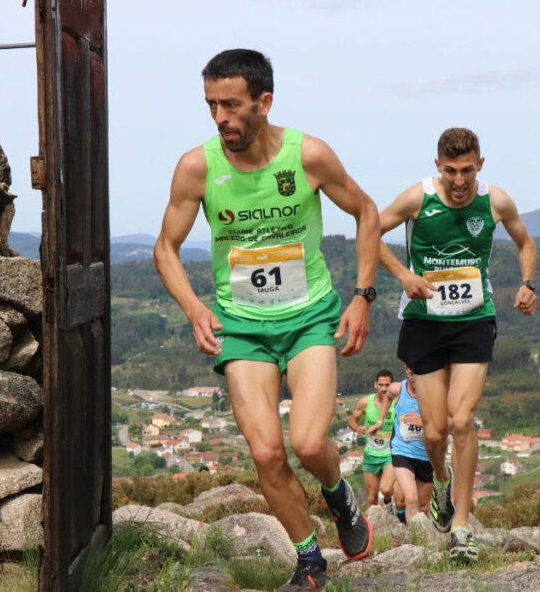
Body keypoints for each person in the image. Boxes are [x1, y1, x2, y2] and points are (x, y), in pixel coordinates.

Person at [154, 49, 380, 591]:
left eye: (230, 105)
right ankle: (309, 562)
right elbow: (165, 247)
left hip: (309, 318)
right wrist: (194, 308)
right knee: (264, 451)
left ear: (264, 101)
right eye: (211, 105)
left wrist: (363, 297)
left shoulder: (309, 155)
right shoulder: (197, 166)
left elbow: (367, 213)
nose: (220, 118)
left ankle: (340, 495)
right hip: (243, 326)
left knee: (306, 443)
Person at [378, 127, 538, 563]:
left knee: (461, 419)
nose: (460, 180)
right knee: (434, 432)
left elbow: (525, 241)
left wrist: (527, 282)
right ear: (438, 168)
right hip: (424, 322)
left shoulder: (496, 201)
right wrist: (403, 275)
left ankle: (462, 528)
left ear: (480, 165)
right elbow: (368, 230)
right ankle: (443, 483)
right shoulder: (418, 198)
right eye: (451, 171)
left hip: (473, 320)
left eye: (467, 170)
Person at [373, 364, 433, 522]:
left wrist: (425, 423)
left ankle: (424, 536)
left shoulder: (434, 392)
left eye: (418, 374)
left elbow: (446, 425)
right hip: (402, 451)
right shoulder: (397, 389)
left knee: (424, 506)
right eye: (411, 373)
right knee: (410, 498)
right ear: (406, 370)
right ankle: (414, 540)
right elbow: (387, 397)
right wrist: (380, 420)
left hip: (427, 455)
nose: (414, 378)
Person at [348, 368, 398, 511]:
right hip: (370, 454)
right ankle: (374, 528)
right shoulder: (365, 402)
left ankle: (388, 502)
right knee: (371, 497)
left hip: (389, 454)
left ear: (392, 385)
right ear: (375, 385)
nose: (383, 389)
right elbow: (352, 420)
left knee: (387, 489)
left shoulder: (396, 403)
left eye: (387, 385)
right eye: (381, 385)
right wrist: (356, 428)